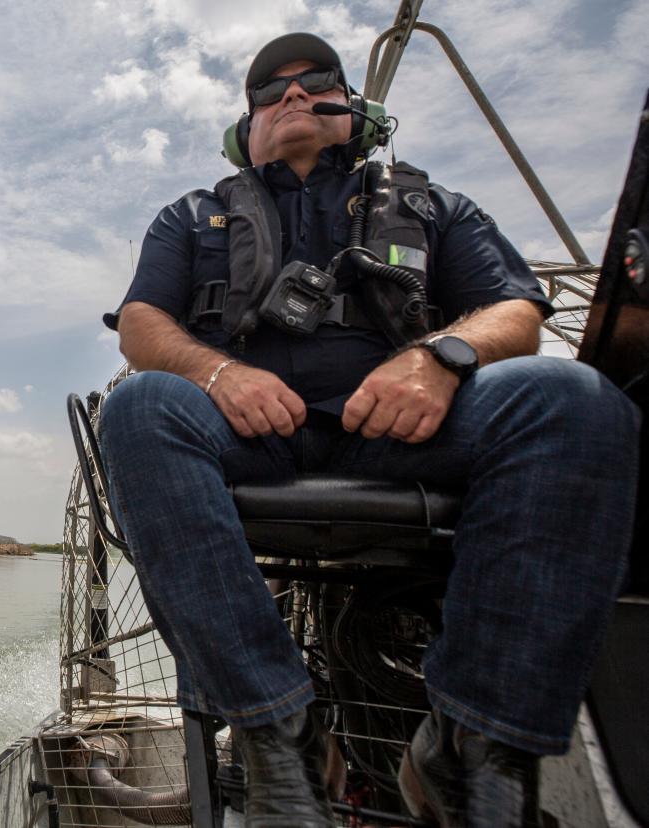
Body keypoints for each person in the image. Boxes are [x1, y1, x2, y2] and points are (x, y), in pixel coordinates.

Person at [97, 32, 639, 827]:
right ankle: (283, 741)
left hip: (406, 428)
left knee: (576, 400)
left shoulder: (436, 205)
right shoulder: (191, 216)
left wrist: (440, 357)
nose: (290, 96)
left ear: (357, 111)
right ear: (244, 130)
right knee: (138, 409)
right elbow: (142, 324)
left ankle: (472, 754)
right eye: (267, 93)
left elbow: (516, 311)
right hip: (252, 433)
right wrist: (218, 373)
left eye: (315, 82)